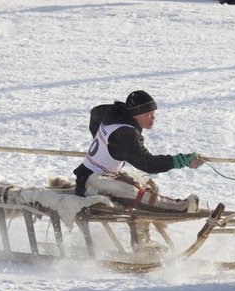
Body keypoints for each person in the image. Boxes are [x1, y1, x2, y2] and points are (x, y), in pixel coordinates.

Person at [72, 90, 203, 214]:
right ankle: (180, 207)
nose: (153, 117)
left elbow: (94, 113)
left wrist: (103, 141)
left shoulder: (111, 112)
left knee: (146, 184)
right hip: (91, 184)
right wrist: (183, 160)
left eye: (154, 112)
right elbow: (149, 164)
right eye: (148, 114)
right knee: (133, 192)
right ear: (135, 114)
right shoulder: (126, 134)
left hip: (95, 175)